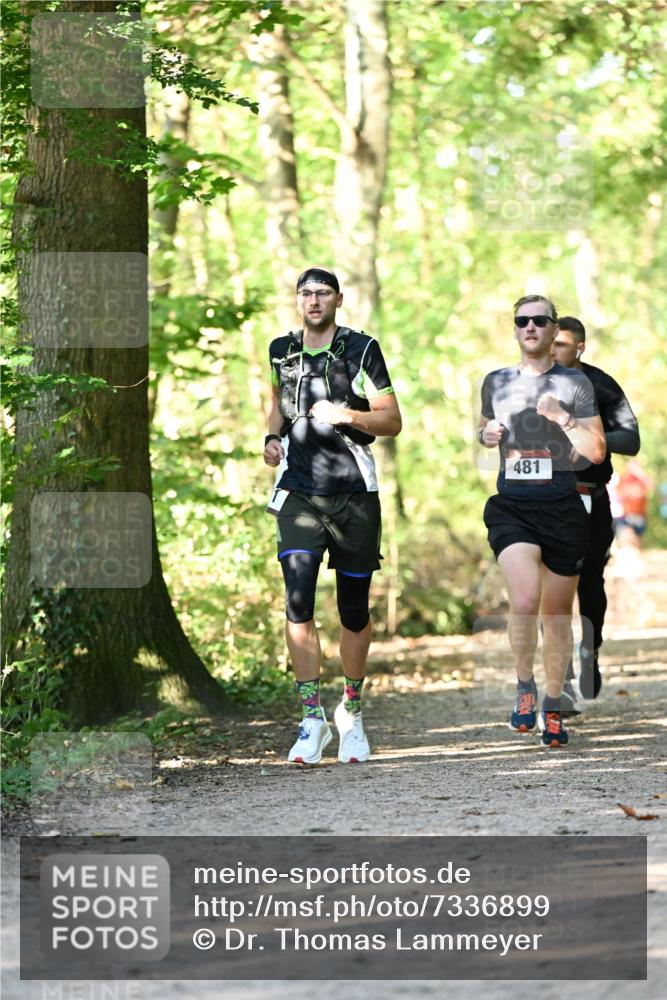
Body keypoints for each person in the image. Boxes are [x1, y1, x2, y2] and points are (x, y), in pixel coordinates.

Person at [264, 267, 402, 765]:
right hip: (299, 492)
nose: (313, 300)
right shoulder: (283, 350)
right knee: (298, 599)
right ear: (297, 300)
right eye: (306, 293)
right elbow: (277, 405)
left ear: (339, 300)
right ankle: (310, 720)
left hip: (354, 494)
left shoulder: (361, 350)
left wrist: (348, 415)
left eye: (322, 293)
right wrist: (272, 438)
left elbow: (392, 419)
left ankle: (352, 711)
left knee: (354, 610)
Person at [479, 295, 605, 747]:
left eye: (539, 321)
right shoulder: (496, 381)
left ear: (554, 332)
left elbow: (595, 452)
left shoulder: (575, 384)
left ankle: (553, 705)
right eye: (522, 321)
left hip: (562, 508)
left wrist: (564, 417)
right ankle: (524, 687)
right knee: (526, 599)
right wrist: (485, 433)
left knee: (556, 615)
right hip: (513, 506)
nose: (530, 327)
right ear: (515, 330)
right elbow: (484, 429)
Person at [551, 317, 640, 703]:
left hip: (591, 497)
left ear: (580, 348)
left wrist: (590, 433)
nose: (552, 350)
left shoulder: (600, 385)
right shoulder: (530, 383)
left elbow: (632, 440)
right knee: (549, 589)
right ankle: (562, 679)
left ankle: (590, 649)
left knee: (589, 584)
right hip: (544, 500)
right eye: (550, 343)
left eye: (562, 344)